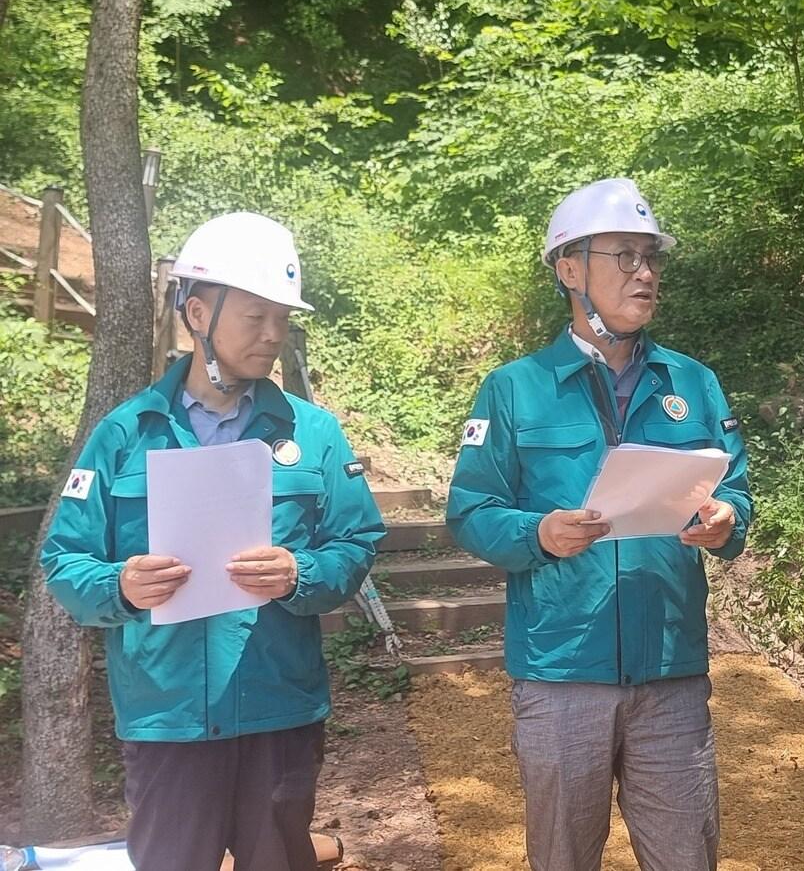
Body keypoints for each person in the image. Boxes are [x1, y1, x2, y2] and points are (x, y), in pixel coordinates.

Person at [42, 212, 384, 871]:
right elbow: (65, 561)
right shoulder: (125, 433)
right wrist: (119, 586)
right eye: (255, 315)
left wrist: (300, 572)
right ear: (197, 312)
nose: (272, 334)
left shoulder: (311, 433)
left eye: (282, 318)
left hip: (277, 713)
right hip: (168, 719)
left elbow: (357, 539)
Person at [447, 177, 752, 871]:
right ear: (569, 269)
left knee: (687, 858)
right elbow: (470, 510)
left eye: (652, 258)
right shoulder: (513, 388)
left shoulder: (692, 383)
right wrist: (538, 535)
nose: (645, 273)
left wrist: (727, 518)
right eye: (624, 256)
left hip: (671, 672)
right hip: (561, 673)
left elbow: (733, 485)